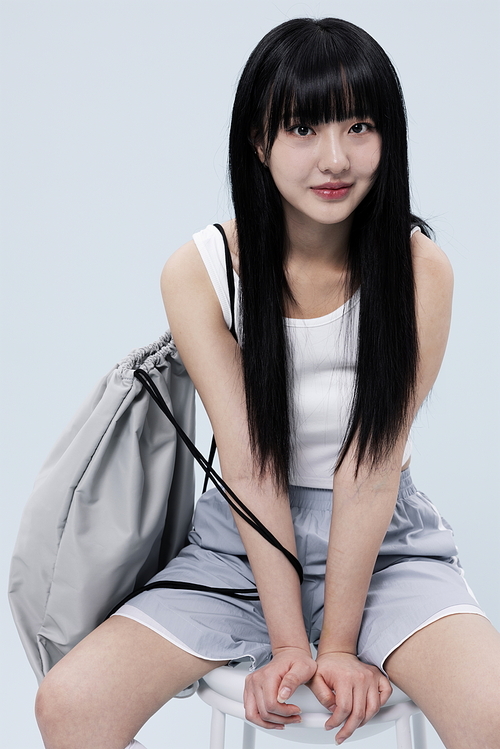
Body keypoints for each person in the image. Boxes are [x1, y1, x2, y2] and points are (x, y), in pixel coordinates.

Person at [34, 17, 500, 749]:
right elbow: (251, 467)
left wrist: (337, 645)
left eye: (360, 125)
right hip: (239, 547)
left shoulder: (420, 271)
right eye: (303, 128)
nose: (335, 157)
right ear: (260, 141)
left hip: (384, 546)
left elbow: (372, 469)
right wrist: (292, 644)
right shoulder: (200, 269)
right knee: (69, 706)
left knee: (491, 713)